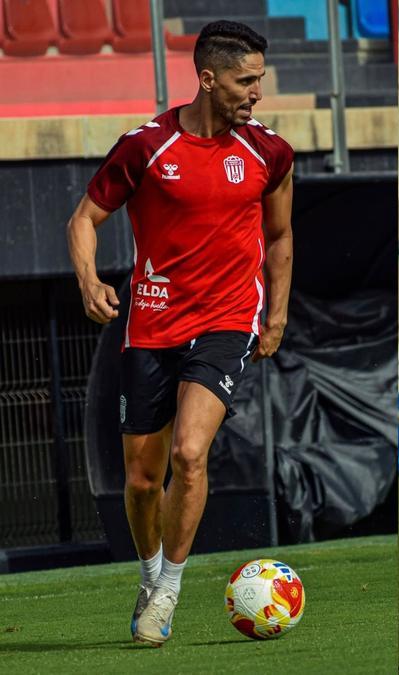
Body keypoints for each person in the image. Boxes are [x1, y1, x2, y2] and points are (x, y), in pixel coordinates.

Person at [66, 20, 295, 646]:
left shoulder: (271, 152)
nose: (256, 92)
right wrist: (89, 281)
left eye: (260, 80)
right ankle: (148, 575)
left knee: (190, 454)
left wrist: (275, 314)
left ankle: (168, 589)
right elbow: (83, 219)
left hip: (227, 321)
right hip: (151, 324)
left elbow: (279, 235)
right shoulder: (145, 146)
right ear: (208, 79)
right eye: (245, 81)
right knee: (142, 480)